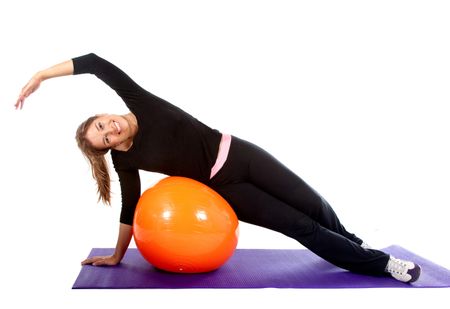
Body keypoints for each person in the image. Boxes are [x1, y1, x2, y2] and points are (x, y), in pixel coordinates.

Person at [15, 53, 421, 283]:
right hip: (226, 188)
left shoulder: (140, 104)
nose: (109, 129)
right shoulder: (127, 160)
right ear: (109, 149)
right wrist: (117, 255)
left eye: (102, 123)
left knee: (314, 203)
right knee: (300, 226)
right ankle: (382, 265)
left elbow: (95, 62)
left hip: (242, 153)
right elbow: (130, 206)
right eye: (104, 137)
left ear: (106, 115)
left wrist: (41, 76)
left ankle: (355, 245)